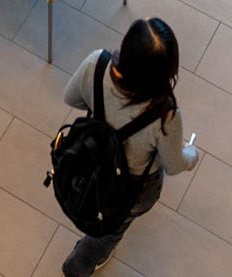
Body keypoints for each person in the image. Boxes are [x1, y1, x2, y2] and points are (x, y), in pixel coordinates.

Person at [58, 18, 199, 276]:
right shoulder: (165, 114)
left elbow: (70, 97)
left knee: (100, 208)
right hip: (132, 188)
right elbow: (173, 164)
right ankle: (80, 264)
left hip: (89, 159)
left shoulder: (96, 64)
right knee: (113, 227)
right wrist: (192, 154)